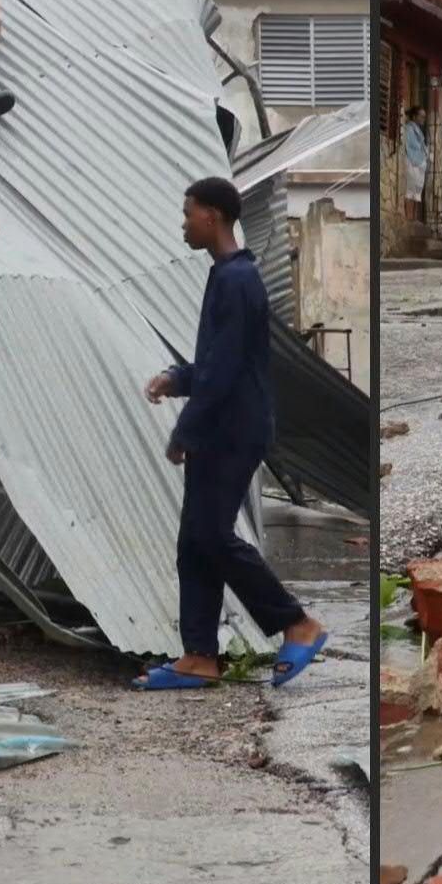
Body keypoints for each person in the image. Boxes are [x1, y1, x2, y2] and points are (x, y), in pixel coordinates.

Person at [138, 177, 327, 691]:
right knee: (194, 543)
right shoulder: (226, 276)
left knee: (211, 537)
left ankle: (298, 623)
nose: (183, 223)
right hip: (223, 426)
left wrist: (185, 430)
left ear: (212, 217)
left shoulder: (238, 281)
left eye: (187, 214)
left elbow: (223, 375)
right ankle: (199, 656)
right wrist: (176, 379)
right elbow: (221, 361)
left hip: (233, 430)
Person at [402, 105, 429, 222]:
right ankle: (409, 217)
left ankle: (414, 218)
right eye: (421, 116)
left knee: (417, 191)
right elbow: (412, 146)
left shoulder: (419, 131)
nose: (423, 119)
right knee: (410, 190)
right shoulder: (409, 129)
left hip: (419, 163)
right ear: (414, 116)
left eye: (424, 117)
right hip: (413, 162)